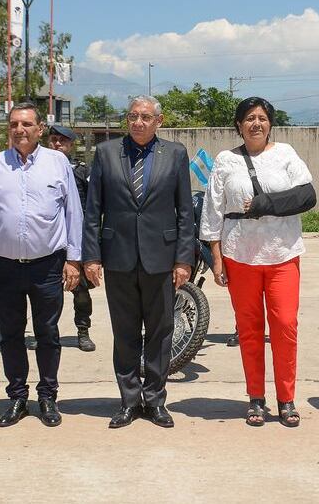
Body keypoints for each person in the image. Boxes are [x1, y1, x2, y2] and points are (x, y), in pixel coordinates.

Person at [83, 95, 195, 429]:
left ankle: (156, 400)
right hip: (118, 258)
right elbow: (93, 210)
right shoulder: (106, 153)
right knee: (125, 333)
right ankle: (129, 401)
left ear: (159, 120)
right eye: (132, 116)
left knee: (161, 333)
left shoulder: (175, 155)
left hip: (161, 258)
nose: (138, 122)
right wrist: (91, 256)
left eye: (145, 117)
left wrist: (183, 259)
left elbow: (185, 211)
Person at [201, 97, 313, 427]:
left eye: (262, 118)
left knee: (284, 326)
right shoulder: (225, 160)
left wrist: (267, 203)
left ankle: (287, 398)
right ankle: (255, 398)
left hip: (282, 254)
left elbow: (307, 194)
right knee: (249, 330)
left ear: (270, 124)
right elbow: (212, 211)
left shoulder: (285, 154)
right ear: (238, 125)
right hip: (240, 255)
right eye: (249, 118)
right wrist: (218, 260)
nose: (256, 124)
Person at [0, 104, 83, 428]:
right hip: (5, 266)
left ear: (40, 129)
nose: (20, 129)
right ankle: (17, 397)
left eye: (27, 124)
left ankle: (48, 395)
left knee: (48, 333)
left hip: (47, 265)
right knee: (10, 334)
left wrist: (74, 260)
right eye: (14, 124)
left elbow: (72, 213)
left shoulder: (57, 162)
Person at [46, 124, 96, 353]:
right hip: (50, 240)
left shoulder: (82, 171)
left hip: (77, 238)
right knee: (47, 292)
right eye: (53, 139)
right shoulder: (40, 168)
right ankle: (47, 332)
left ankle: (83, 331)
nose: (57, 144)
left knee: (81, 291)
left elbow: (93, 208)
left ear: (71, 145)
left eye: (62, 141)